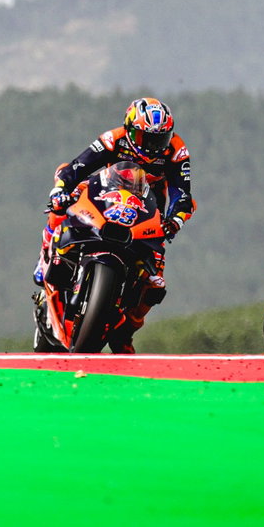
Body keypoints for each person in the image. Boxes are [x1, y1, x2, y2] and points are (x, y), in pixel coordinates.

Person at [36, 97, 194, 352]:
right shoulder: (113, 139)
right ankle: (47, 250)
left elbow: (182, 195)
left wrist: (174, 220)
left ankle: (126, 332)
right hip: (105, 193)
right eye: (145, 138)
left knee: (155, 282)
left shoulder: (176, 151)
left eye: (159, 139)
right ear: (130, 130)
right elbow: (77, 167)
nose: (153, 146)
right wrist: (61, 189)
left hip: (148, 207)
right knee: (64, 203)